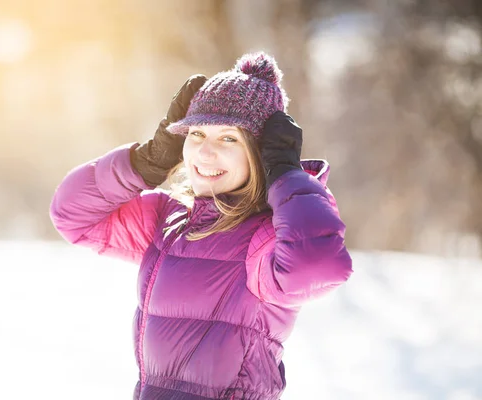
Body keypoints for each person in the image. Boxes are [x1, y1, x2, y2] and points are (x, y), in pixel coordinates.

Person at [49, 51, 353, 400]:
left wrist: (286, 175)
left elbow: (319, 265)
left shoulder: (266, 237)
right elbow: (72, 215)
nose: (205, 154)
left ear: (262, 153)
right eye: (196, 134)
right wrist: (145, 162)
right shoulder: (172, 219)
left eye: (228, 138)